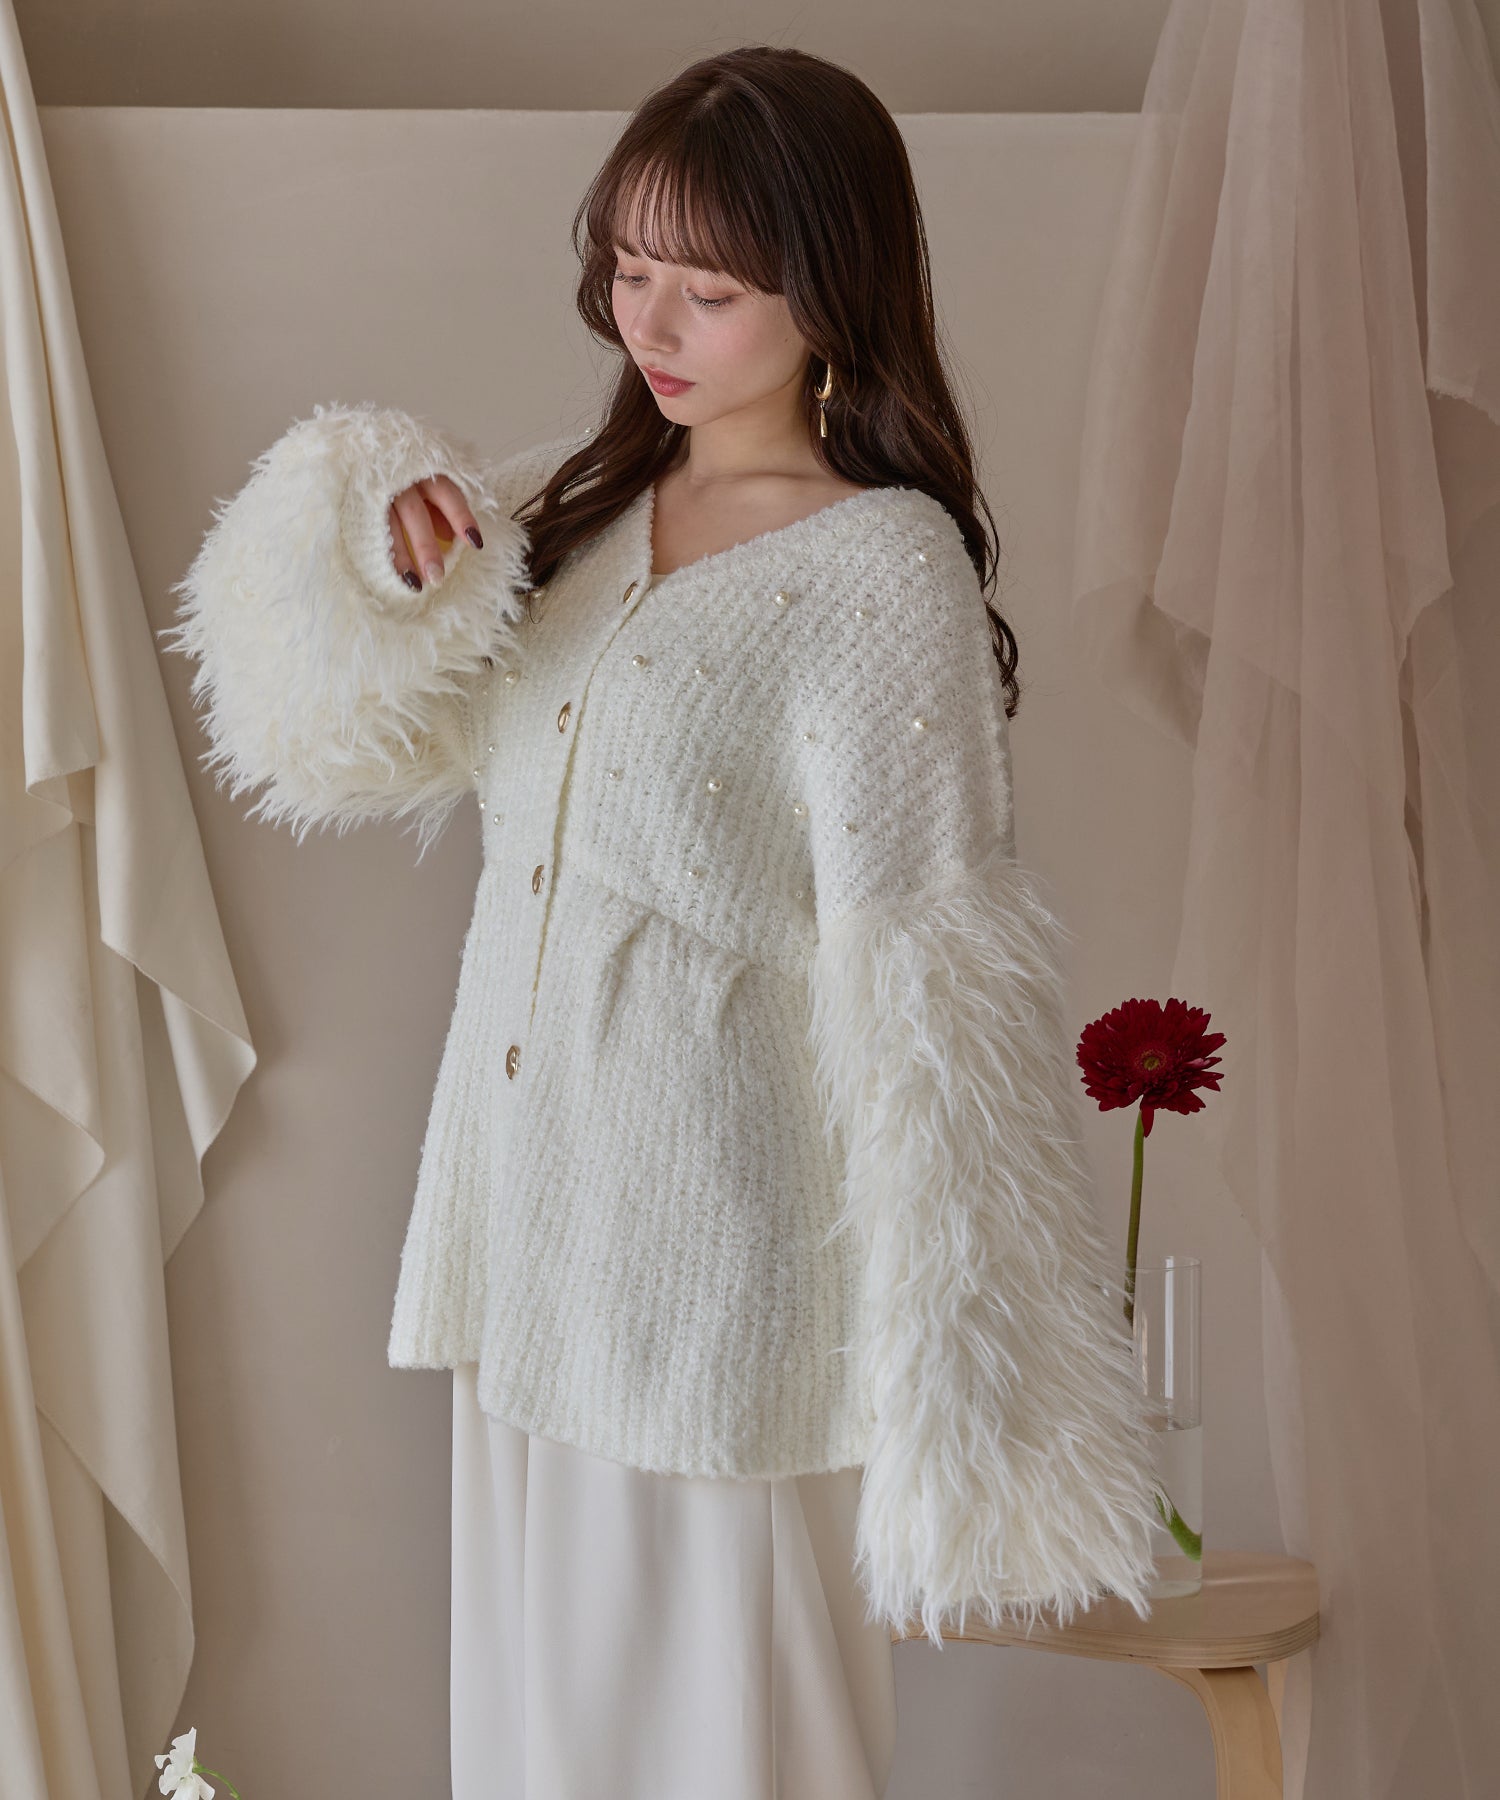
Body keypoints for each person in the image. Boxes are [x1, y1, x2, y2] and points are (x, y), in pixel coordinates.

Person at [161, 43, 1162, 1800]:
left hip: (723, 1265)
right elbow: (330, 745)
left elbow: (929, 975)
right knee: (544, 1746)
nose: (654, 322)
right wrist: (385, 556)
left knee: (724, 1745)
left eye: (710, 287)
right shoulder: (579, 511)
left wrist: (969, 1382)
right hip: (527, 1226)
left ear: (829, 287)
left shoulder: (883, 570)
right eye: (631, 269)